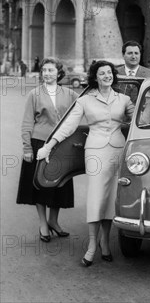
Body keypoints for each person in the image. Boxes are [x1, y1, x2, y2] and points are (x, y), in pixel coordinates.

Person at [37, 60, 135, 266]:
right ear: (95, 77)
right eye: (102, 73)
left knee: (111, 198)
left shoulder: (124, 99)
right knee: (96, 196)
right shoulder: (85, 101)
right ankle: (91, 246)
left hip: (117, 150)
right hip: (95, 151)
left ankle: (105, 242)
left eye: (109, 73)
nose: (107, 76)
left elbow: (138, 121)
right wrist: (49, 146)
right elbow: (68, 126)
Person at [16, 57, 78, 242]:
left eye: (51, 70)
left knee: (59, 184)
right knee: (40, 184)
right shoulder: (34, 94)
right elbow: (27, 122)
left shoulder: (69, 94)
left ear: (59, 73)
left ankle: (54, 221)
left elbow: (81, 112)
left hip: (61, 145)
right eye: (44, 71)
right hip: (39, 144)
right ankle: (43, 224)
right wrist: (27, 148)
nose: (47, 74)